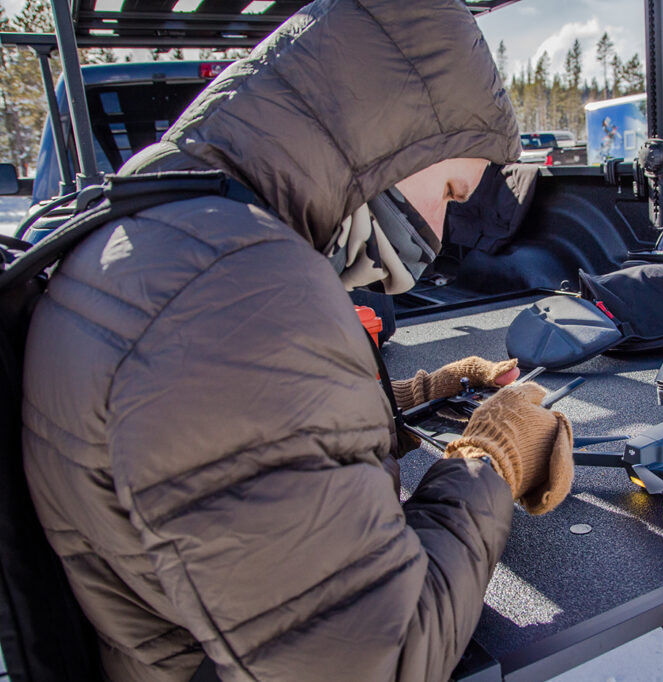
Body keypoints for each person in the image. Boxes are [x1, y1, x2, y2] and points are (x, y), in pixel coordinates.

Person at [20, 1, 573, 680]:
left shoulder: (163, 241)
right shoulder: (235, 290)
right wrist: (494, 455)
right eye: (450, 190)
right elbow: (376, 658)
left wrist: (425, 392)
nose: (441, 226)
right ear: (396, 140)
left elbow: (234, 444)